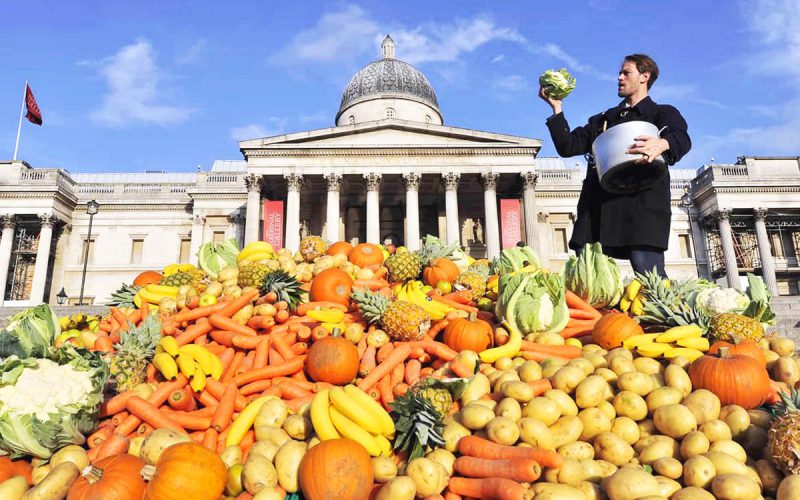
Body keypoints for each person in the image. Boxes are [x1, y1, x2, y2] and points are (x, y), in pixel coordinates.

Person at [539, 54, 691, 277]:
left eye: (626, 72)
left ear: (644, 77)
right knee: (588, 269)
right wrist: (557, 108)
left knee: (647, 269)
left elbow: (682, 138)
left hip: (643, 202)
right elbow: (568, 146)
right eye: (620, 73)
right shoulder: (604, 119)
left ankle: (663, 310)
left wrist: (663, 143)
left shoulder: (662, 113)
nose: (619, 77)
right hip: (599, 201)